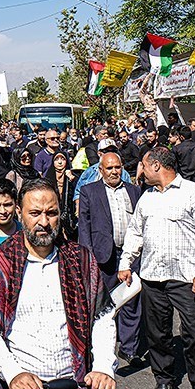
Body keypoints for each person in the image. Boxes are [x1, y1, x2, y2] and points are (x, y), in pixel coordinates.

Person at [0, 178, 117, 389]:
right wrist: (12, 372)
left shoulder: (80, 259)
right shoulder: (0, 263)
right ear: (19, 213)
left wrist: (102, 366)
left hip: (75, 388)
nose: (44, 222)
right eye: (35, 213)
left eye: (51, 213)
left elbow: (102, 316)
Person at [118, 146, 195, 389]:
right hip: (153, 277)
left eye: (143, 165)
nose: (139, 170)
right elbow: (135, 232)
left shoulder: (194, 193)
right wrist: (126, 263)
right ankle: (164, 379)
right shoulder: (146, 198)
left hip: (187, 279)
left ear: (156, 166)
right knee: (158, 333)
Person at [78, 152, 144, 366]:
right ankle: (99, 347)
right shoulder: (90, 191)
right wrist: (87, 256)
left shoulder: (134, 191)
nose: (114, 172)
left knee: (131, 300)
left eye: (117, 167)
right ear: (101, 170)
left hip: (129, 255)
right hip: (102, 254)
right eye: (110, 168)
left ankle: (129, 348)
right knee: (102, 303)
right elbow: (84, 226)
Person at [44, 151, 77, 240]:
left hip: (70, 217)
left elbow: (78, 193)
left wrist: (72, 180)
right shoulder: (48, 177)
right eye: (56, 159)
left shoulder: (73, 176)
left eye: (63, 159)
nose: (59, 162)